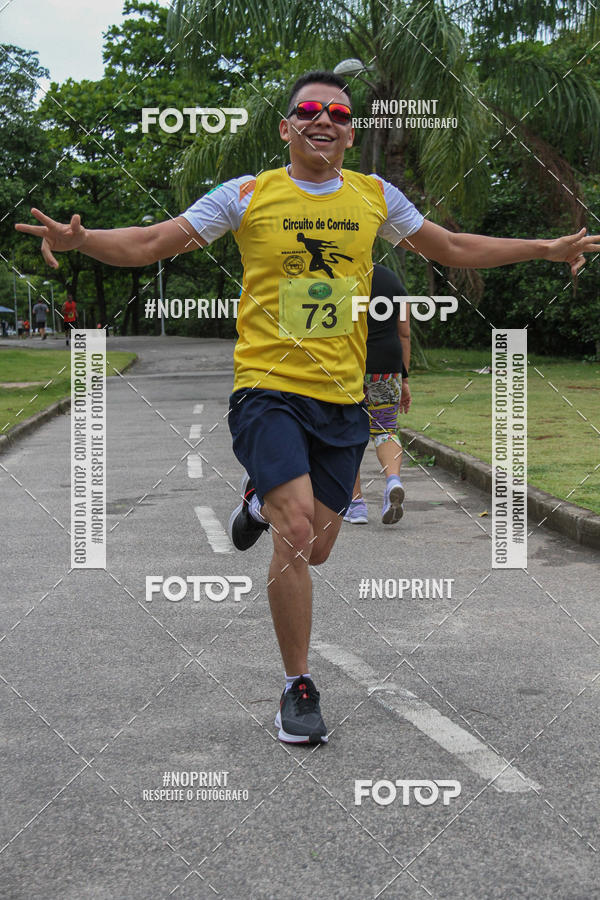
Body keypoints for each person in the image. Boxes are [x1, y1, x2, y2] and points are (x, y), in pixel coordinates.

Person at [15, 70, 600, 746]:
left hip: (343, 399)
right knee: (296, 534)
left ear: (352, 132)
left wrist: (546, 247)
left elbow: (453, 246)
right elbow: (151, 241)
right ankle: (297, 685)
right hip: (267, 389)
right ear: (286, 127)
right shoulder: (247, 194)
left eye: (339, 114)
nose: (325, 120)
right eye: (309, 111)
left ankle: (257, 502)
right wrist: (83, 240)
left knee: (318, 548)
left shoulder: (375, 196)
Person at [344, 264, 411, 525]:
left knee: (348, 433)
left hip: (348, 367)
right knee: (386, 429)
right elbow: (403, 332)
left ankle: (356, 504)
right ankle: (392, 480)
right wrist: (403, 377)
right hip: (387, 366)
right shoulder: (392, 279)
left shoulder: (340, 275)